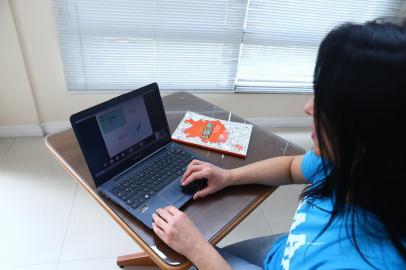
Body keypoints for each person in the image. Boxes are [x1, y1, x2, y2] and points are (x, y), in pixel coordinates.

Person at [151, 19, 406, 269]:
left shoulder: (356, 262)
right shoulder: (347, 161)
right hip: (286, 253)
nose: (308, 108)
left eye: (326, 101)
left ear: (370, 129)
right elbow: (292, 167)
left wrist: (196, 248)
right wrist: (228, 176)